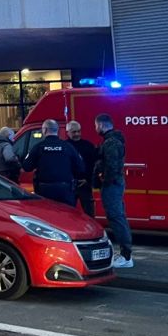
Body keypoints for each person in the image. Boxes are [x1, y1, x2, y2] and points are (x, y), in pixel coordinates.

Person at [95, 113, 133, 268]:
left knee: (116, 217)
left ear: (101, 125)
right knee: (118, 217)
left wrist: (104, 179)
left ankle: (126, 256)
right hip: (115, 184)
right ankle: (125, 253)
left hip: (112, 185)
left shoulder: (111, 143)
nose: (96, 128)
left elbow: (111, 166)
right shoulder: (114, 140)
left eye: (96, 125)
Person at [21, 118, 84, 206]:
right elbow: (81, 167)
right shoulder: (68, 146)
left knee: (47, 213)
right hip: (65, 190)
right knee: (67, 213)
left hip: (44, 190)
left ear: (45, 130)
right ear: (57, 130)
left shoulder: (38, 147)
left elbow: (26, 167)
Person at [65, 121, 100, 216]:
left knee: (89, 213)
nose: (77, 134)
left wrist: (87, 179)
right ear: (67, 132)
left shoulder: (88, 146)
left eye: (78, 131)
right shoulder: (64, 146)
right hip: (69, 185)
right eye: (74, 132)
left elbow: (94, 165)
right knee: (68, 213)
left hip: (85, 185)